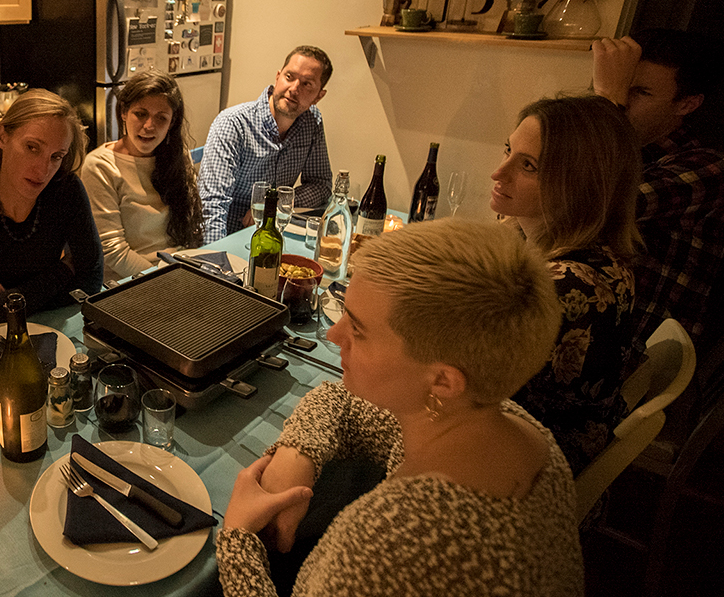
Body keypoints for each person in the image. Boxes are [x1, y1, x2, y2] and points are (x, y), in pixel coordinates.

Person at [216, 220, 582, 597]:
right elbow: (342, 401)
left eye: (357, 329)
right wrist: (299, 454)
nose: (333, 334)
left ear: (442, 381)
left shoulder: (388, 540)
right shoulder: (519, 432)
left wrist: (239, 540)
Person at [489, 95, 642, 475]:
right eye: (508, 150)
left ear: (581, 183)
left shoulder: (565, 285)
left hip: (521, 479)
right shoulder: (596, 255)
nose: (499, 172)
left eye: (528, 166)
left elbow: (459, 390)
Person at [592, 29, 724, 355]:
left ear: (687, 104)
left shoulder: (713, 168)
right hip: (580, 331)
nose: (624, 103)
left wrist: (608, 95)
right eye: (622, 89)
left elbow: (586, 202)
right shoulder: (626, 152)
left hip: (624, 357)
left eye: (640, 92)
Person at [0, 89, 103, 343]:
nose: (43, 169)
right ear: (2, 136)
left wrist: (10, 300)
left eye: (56, 156)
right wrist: (65, 268)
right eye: (32, 147)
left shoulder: (66, 190)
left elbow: (91, 281)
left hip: (44, 328)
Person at [198, 46, 333, 243]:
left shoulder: (312, 122)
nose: (294, 89)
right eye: (289, 77)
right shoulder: (233, 124)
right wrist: (216, 262)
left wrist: (275, 203)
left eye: (307, 84)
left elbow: (320, 185)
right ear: (278, 77)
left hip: (273, 236)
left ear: (319, 96)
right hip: (228, 236)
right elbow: (211, 206)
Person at [79, 70, 203, 281]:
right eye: (141, 113)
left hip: (175, 270)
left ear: (172, 123)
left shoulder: (176, 156)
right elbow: (113, 251)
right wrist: (162, 279)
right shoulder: (100, 166)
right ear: (124, 112)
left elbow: (189, 231)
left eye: (161, 118)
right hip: (128, 281)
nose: (148, 126)